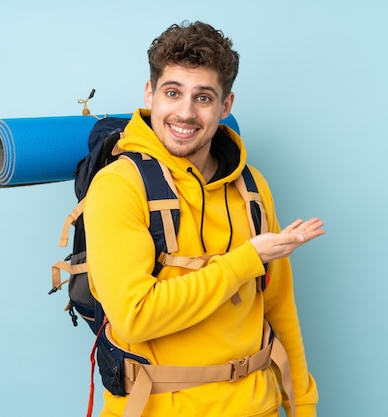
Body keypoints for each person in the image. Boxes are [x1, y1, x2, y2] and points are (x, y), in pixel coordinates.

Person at [83, 21, 324, 417]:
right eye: (173, 92)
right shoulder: (118, 187)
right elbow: (136, 316)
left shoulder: (251, 187)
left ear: (225, 106)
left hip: (255, 407)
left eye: (204, 97)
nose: (185, 112)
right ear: (150, 95)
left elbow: (279, 308)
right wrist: (245, 260)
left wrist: (303, 404)